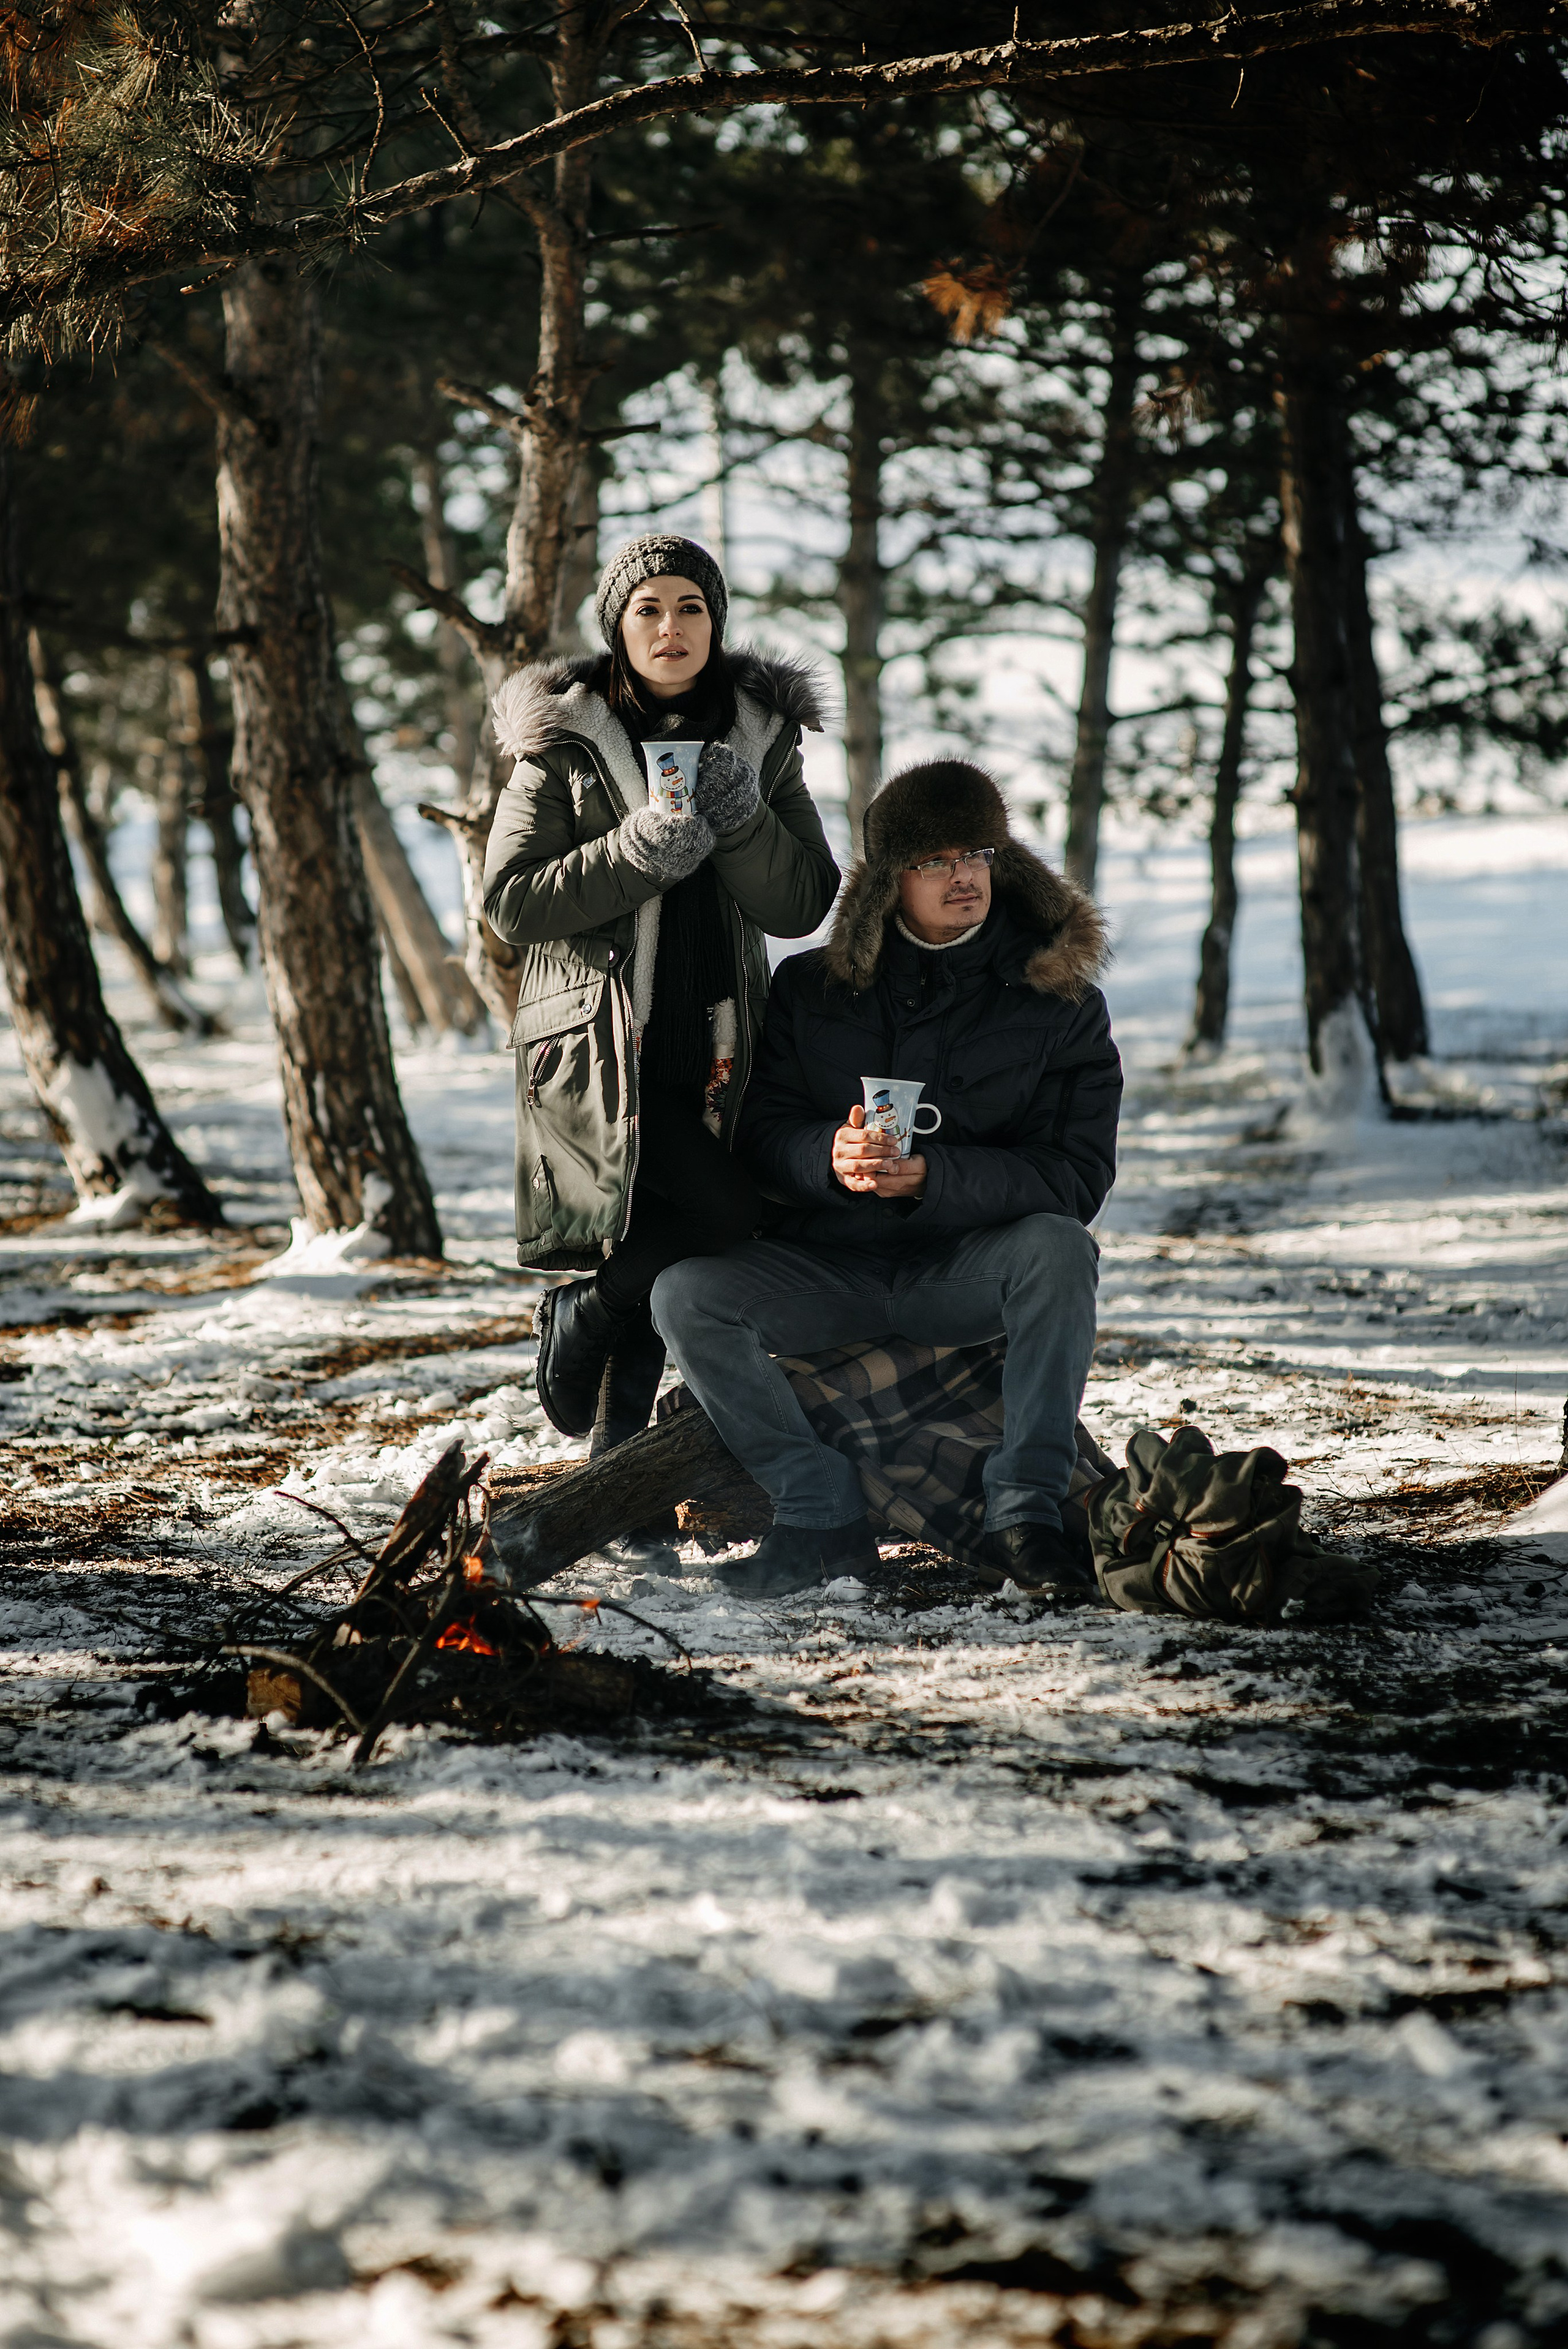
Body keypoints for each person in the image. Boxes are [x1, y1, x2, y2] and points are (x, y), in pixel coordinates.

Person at [651, 757, 1123, 1598]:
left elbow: (1075, 1175)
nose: (963, 876)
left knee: (1061, 1249)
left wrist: (935, 1178)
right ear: (887, 880)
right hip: (833, 1266)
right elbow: (761, 1131)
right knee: (685, 1294)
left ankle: (1027, 1514)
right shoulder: (812, 988)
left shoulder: (1058, 1000)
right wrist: (825, 1158)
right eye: (934, 862)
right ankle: (817, 1514)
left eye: (977, 853)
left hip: (963, 1270)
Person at [484, 535, 840, 1461]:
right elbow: (512, 902)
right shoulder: (563, 741)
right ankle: (590, 1325)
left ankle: (610, 1447)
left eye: (690, 607)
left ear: (715, 622)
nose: (670, 626)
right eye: (648, 609)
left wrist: (741, 817)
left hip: (725, 1045)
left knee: (681, 1242)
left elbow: (801, 899)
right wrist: (637, 851)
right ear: (618, 625)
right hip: (602, 1045)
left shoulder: (763, 739)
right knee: (712, 1218)